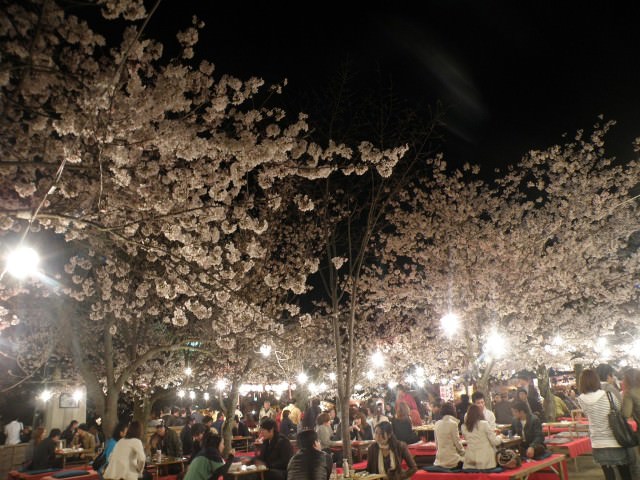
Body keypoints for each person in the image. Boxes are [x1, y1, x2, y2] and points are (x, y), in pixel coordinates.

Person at [578, 369, 632, 480]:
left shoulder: (581, 400)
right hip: (615, 439)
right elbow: (620, 410)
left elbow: (588, 414)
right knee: (625, 472)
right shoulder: (608, 395)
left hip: (597, 442)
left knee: (608, 474)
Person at [460, 404, 502, 470]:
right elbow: (495, 442)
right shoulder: (484, 424)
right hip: (486, 461)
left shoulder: (463, 426)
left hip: (470, 460)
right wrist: (500, 437)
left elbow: (467, 439)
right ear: (479, 413)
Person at [433, 402, 464, 470]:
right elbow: (457, 443)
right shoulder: (453, 424)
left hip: (439, 460)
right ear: (453, 411)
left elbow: (437, 444)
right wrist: (464, 452)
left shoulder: (437, 423)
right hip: (451, 460)